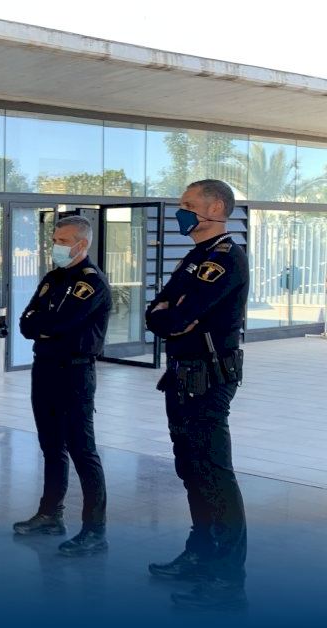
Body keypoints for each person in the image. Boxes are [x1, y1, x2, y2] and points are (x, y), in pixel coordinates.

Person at [145, 180, 249, 610]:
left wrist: (172, 315)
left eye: (189, 204)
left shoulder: (225, 258)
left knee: (213, 473)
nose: (181, 211)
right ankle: (200, 553)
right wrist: (169, 315)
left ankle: (227, 577)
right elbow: (157, 314)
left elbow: (178, 315)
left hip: (208, 376)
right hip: (182, 375)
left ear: (217, 207)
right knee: (190, 469)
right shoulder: (195, 256)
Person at [13, 215, 110, 557]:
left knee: (83, 450)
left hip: (75, 373)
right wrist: (46, 326)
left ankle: (95, 530)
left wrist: (47, 326)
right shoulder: (53, 278)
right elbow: (27, 323)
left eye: (63, 241)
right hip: (45, 369)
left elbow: (60, 322)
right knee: (51, 446)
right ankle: (50, 514)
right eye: (55, 240)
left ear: (82, 244)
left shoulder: (91, 282)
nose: (56, 246)